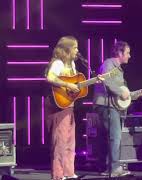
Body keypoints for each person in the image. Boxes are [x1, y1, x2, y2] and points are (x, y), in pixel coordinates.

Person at [93, 41, 142, 177]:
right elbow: (106, 81)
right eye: (127, 53)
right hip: (105, 105)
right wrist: (120, 92)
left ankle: (110, 168)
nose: (129, 56)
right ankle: (114, 169)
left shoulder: (119, 71)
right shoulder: (109, 64)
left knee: (113, 137)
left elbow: (125, 95)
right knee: (116, 137)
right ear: (119, 53)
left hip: (114, 106)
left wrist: (140, 93)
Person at [45, 36, 80, 180]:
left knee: (70, 140)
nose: (78, 50)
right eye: (75, 47)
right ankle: (58, 175)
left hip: (68, 104)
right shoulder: (58, 63)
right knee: (59, 141)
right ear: (67, 49)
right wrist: (67, 85)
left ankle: (69, 171)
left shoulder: (72, 65)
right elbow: (50, 78)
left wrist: (94, 81)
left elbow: (75, 84)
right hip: (57, 105)